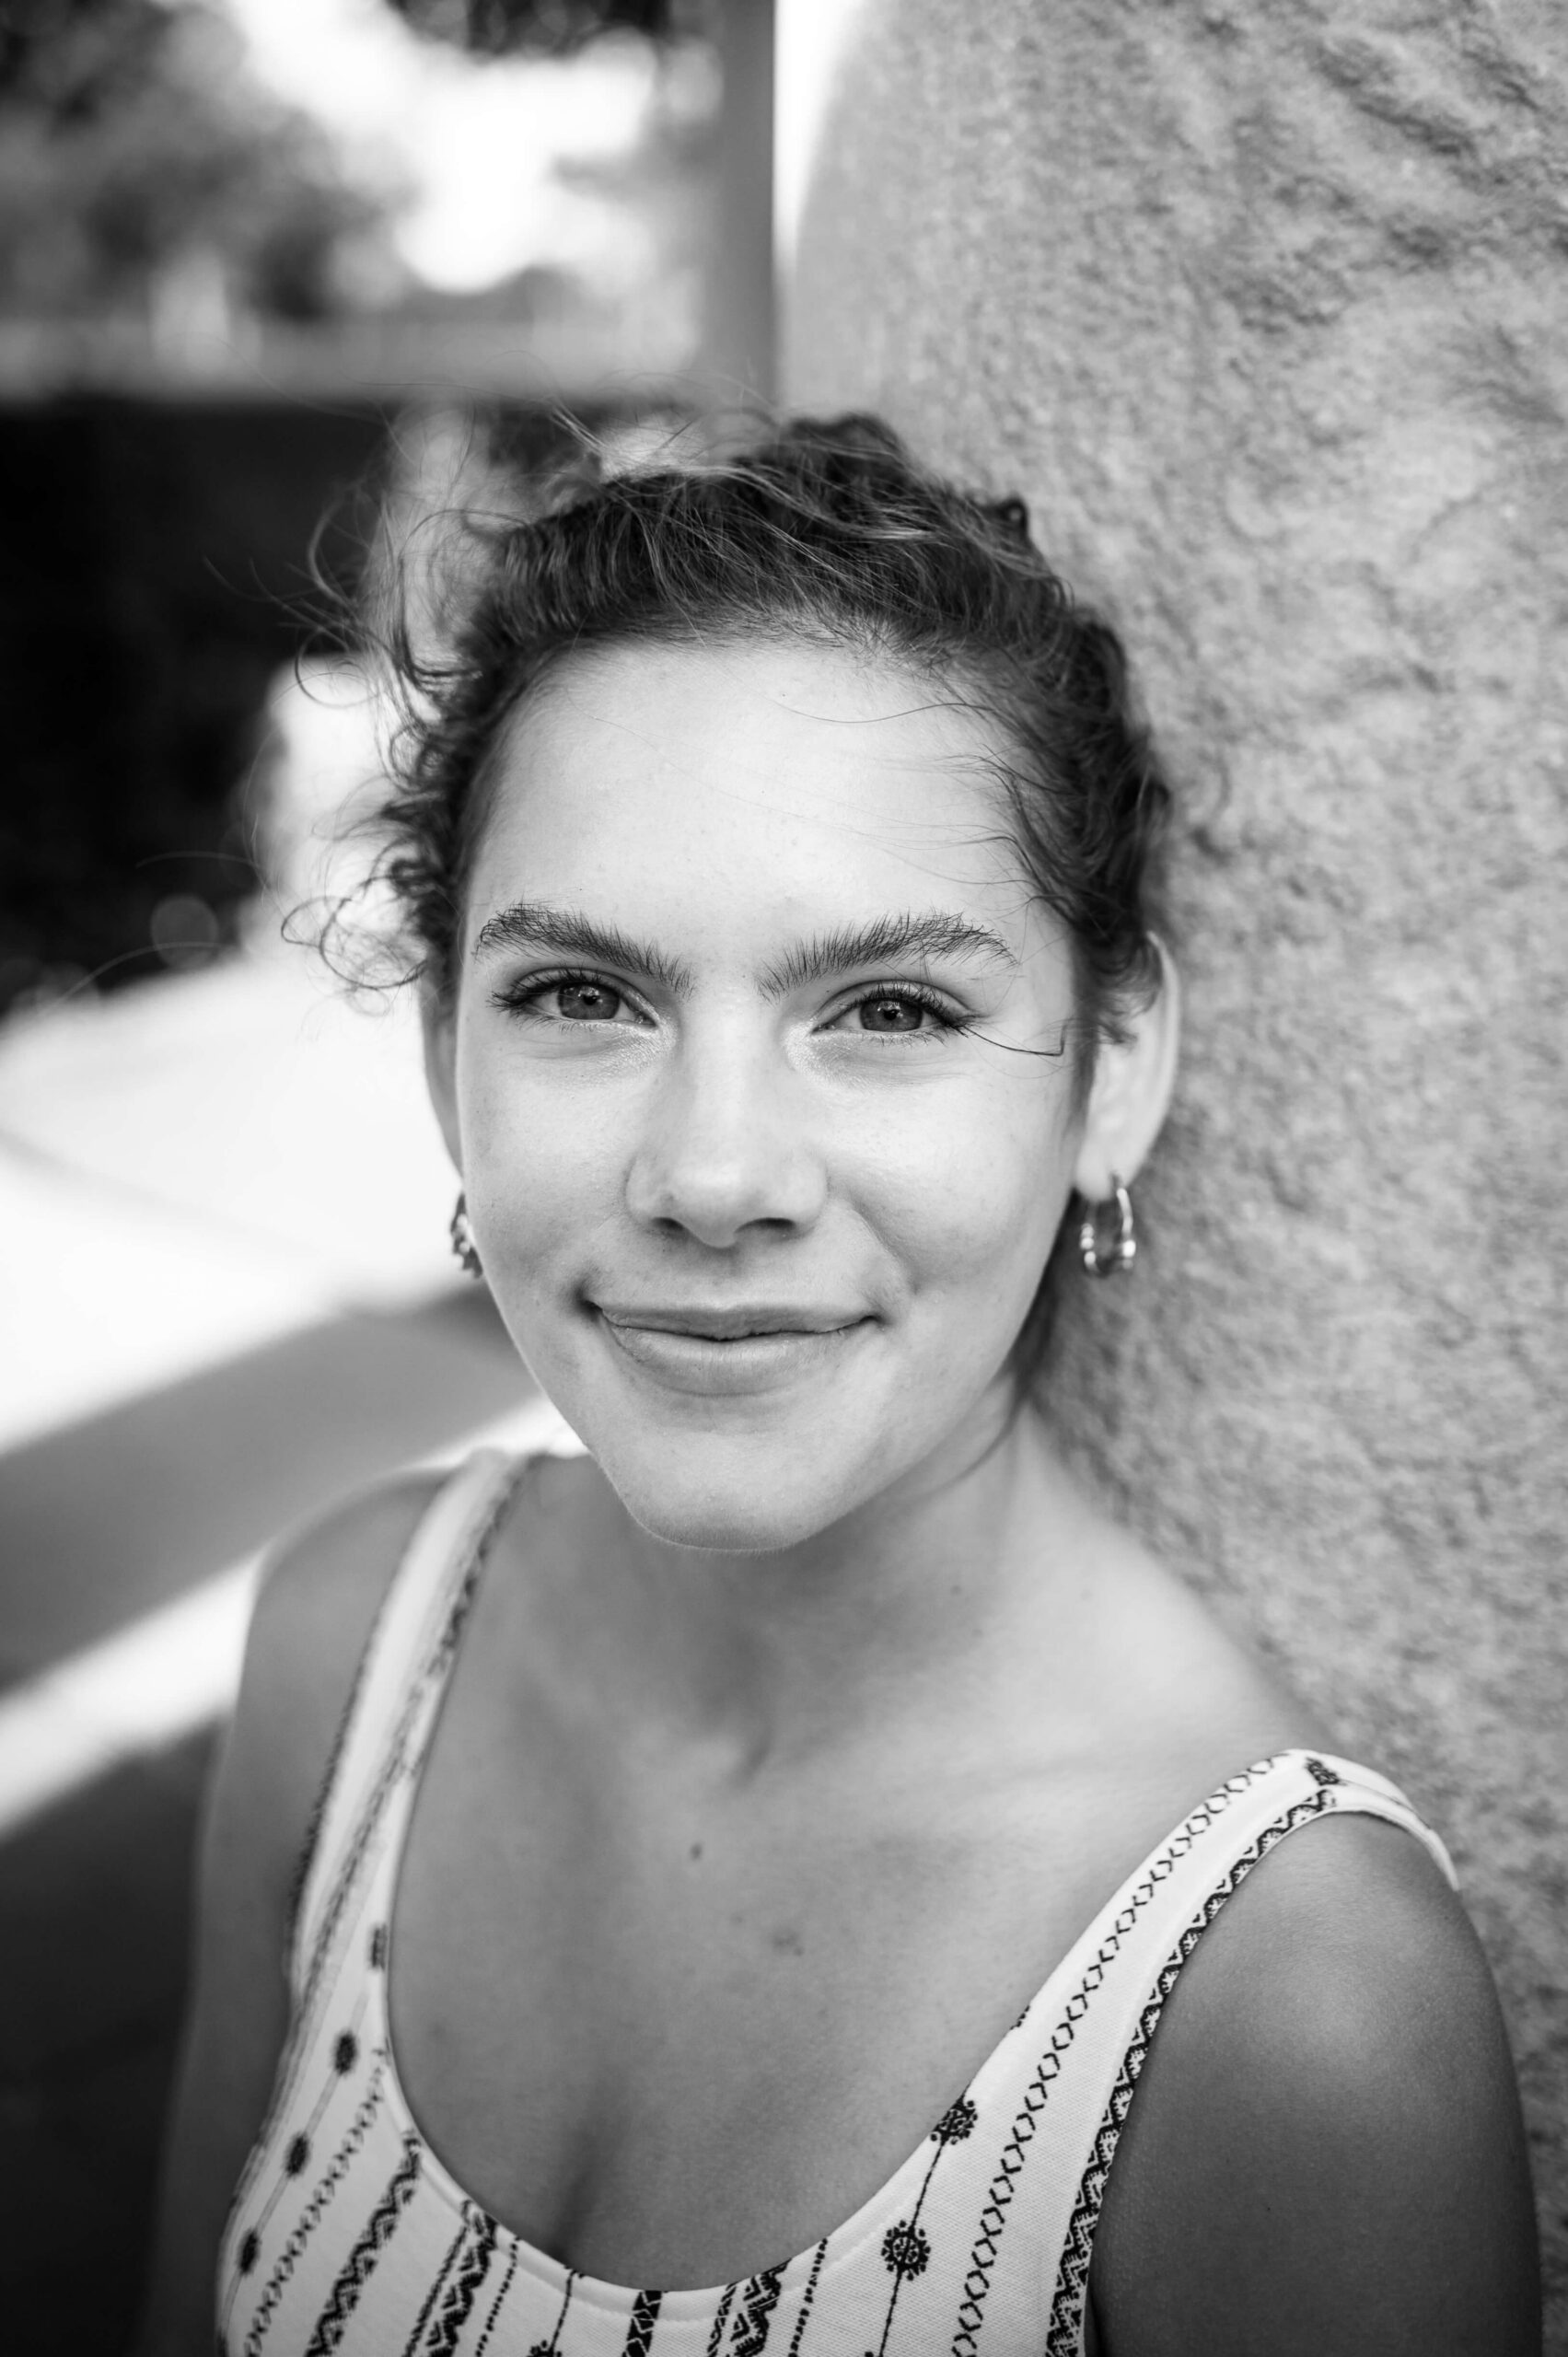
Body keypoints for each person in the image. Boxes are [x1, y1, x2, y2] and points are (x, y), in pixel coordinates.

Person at [138, 416, 1539, 2356]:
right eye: (581, 995)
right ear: (448, 1048)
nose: (715, 1176)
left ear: (1111, 1064)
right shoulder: (351, 1641)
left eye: (888, 1010)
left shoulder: (1294, 2006)